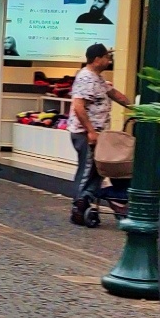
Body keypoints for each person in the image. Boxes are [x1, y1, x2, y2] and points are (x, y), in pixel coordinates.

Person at [69, 43, 130, 225]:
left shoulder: (98, 79)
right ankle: (79, 206)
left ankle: (87, 201)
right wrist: (90, 131)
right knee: (88, 170)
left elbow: (115, 94)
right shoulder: (86, 78)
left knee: (97, 171)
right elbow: (79, 106)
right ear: (97, 59)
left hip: (97, 134)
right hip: (86, 134)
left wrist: (136, 109)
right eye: (106, 57)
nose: (109, 60)